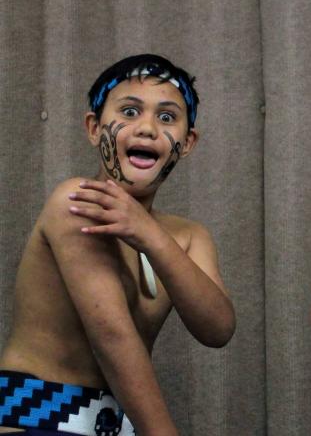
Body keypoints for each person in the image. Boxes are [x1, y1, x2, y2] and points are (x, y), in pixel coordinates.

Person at [0, 54, 236, 436]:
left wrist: (151, 235)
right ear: (94, 128)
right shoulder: (76, 202)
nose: (146, 128)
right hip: (35, 417)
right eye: (128, 111)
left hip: (117, 426)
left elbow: (218, 329)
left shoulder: (190, 236)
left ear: (188, 141)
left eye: (166, 117)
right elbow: (111, 336)